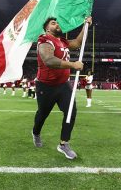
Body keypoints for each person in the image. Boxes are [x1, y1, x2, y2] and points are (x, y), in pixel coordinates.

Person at [32, 16, 92, 160]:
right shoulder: (44, 40)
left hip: (63, 84)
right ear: (47, 28)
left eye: (57, 22)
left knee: (71, 111)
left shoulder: (62, 41)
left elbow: (77, 43)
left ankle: (63, 144)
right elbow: (49, 60)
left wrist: (86, 25)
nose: (57, 24)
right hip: (46, 86)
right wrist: (72, 65)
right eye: (53, 23)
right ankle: (36, 133)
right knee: (43, 113)